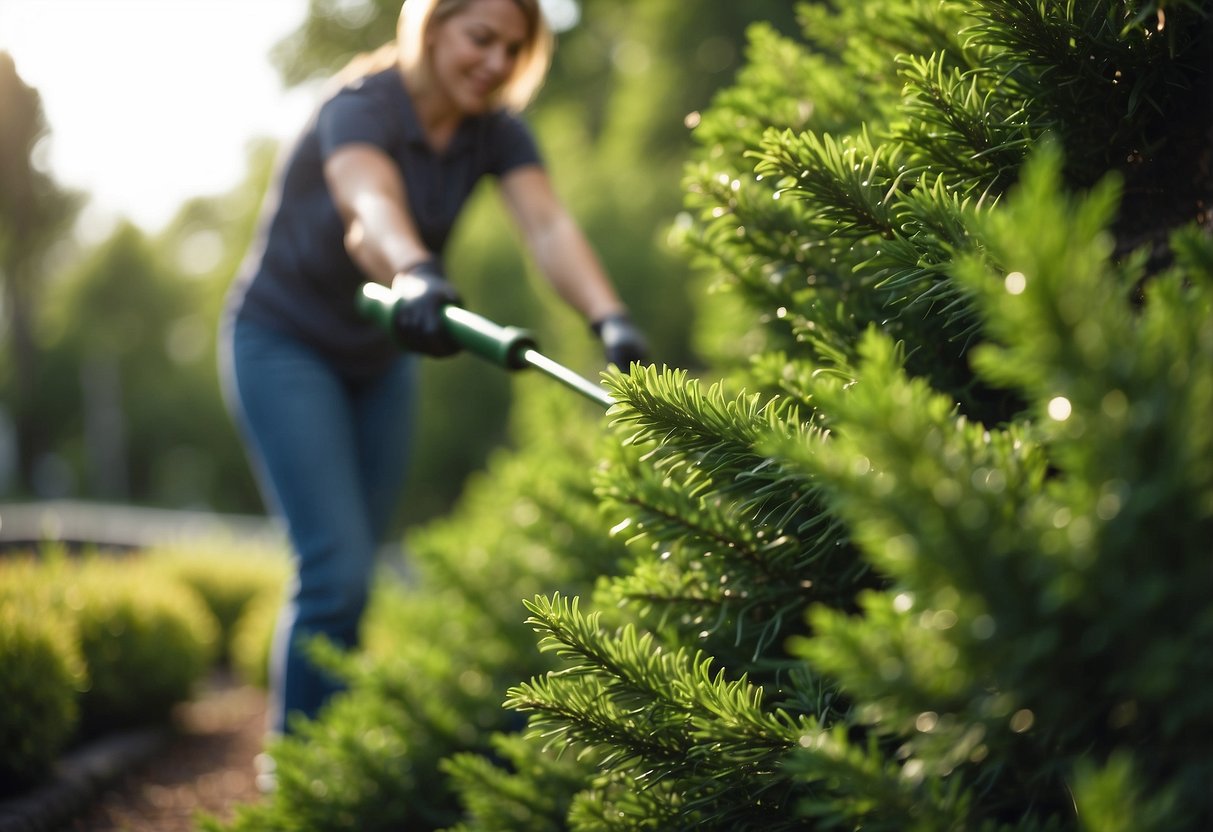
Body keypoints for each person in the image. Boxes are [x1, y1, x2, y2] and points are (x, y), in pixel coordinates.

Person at [219, 0, 648, 739]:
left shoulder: (495, 130)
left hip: (382, 357)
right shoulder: (359, 107)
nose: (495, 62)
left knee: (356, 578)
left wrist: (609, 317)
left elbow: (546, 224)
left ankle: (340, 754)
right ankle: (297, 777)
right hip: (284, 342)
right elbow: (368, 209)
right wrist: (414, 270)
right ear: (430, 25)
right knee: (335, 572)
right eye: (480, 38)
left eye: (513, 50)